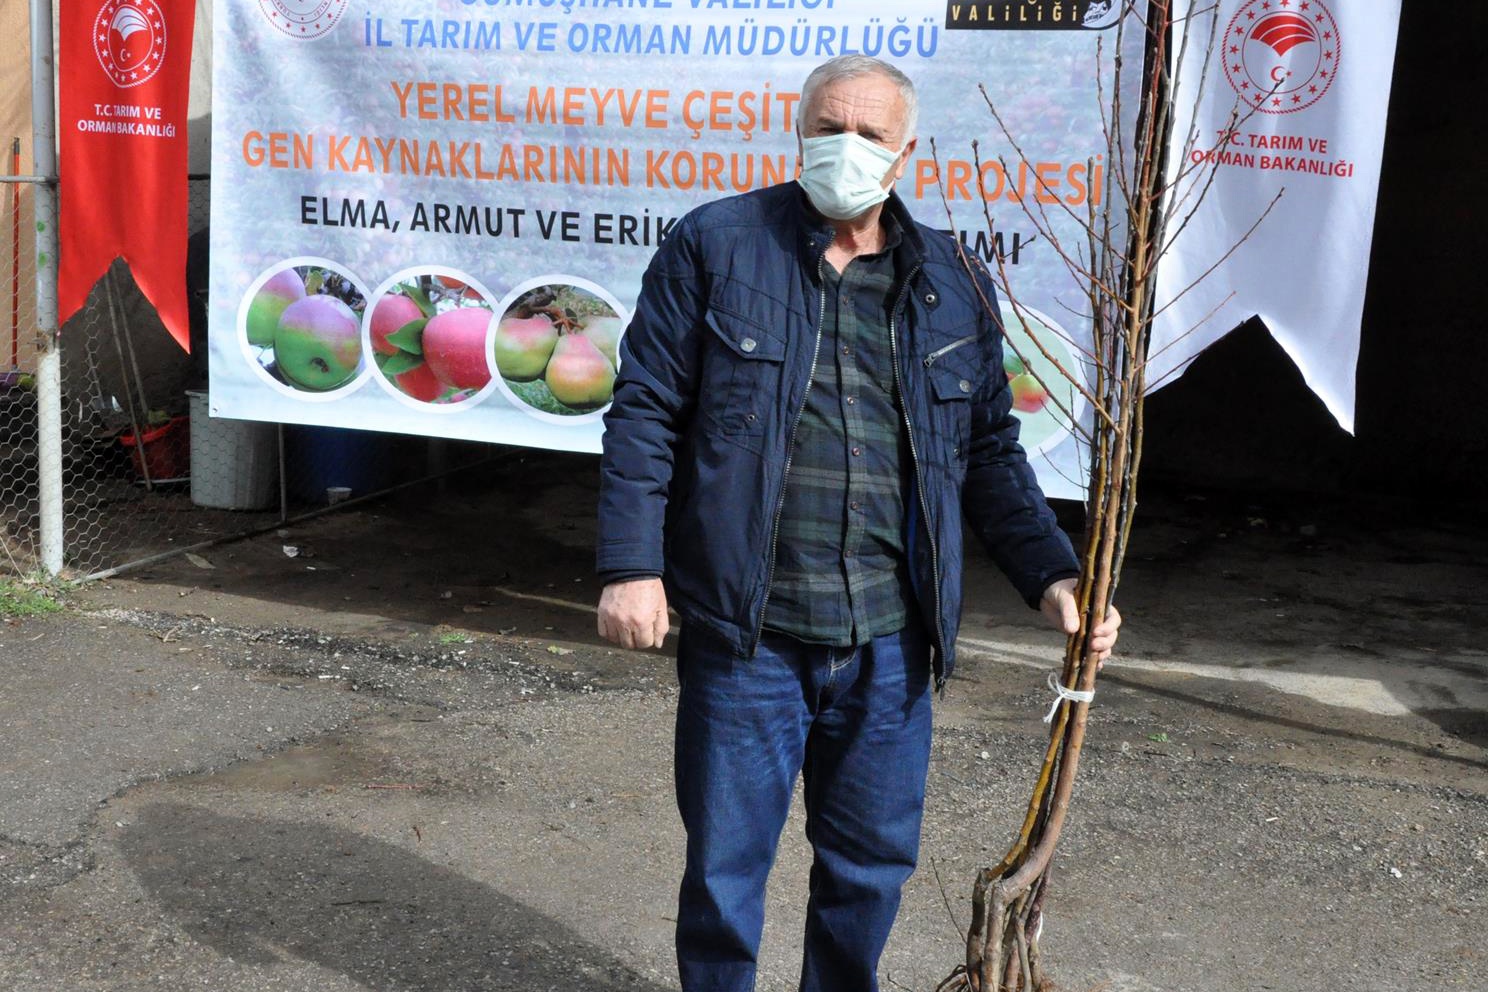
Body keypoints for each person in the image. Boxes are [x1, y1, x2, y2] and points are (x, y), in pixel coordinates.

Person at [595, 55, 1121, 992]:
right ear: (799, 133)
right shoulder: (716, 245)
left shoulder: (953, 277)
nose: (846, 148)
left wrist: (1053, 575)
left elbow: (988, 449)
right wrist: (632, 566)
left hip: (890, 643)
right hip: (749, 637)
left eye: (869, 134)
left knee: (870, 870)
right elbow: (645, 411)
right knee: (724, 871)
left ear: (905, 151)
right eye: (828, 129)